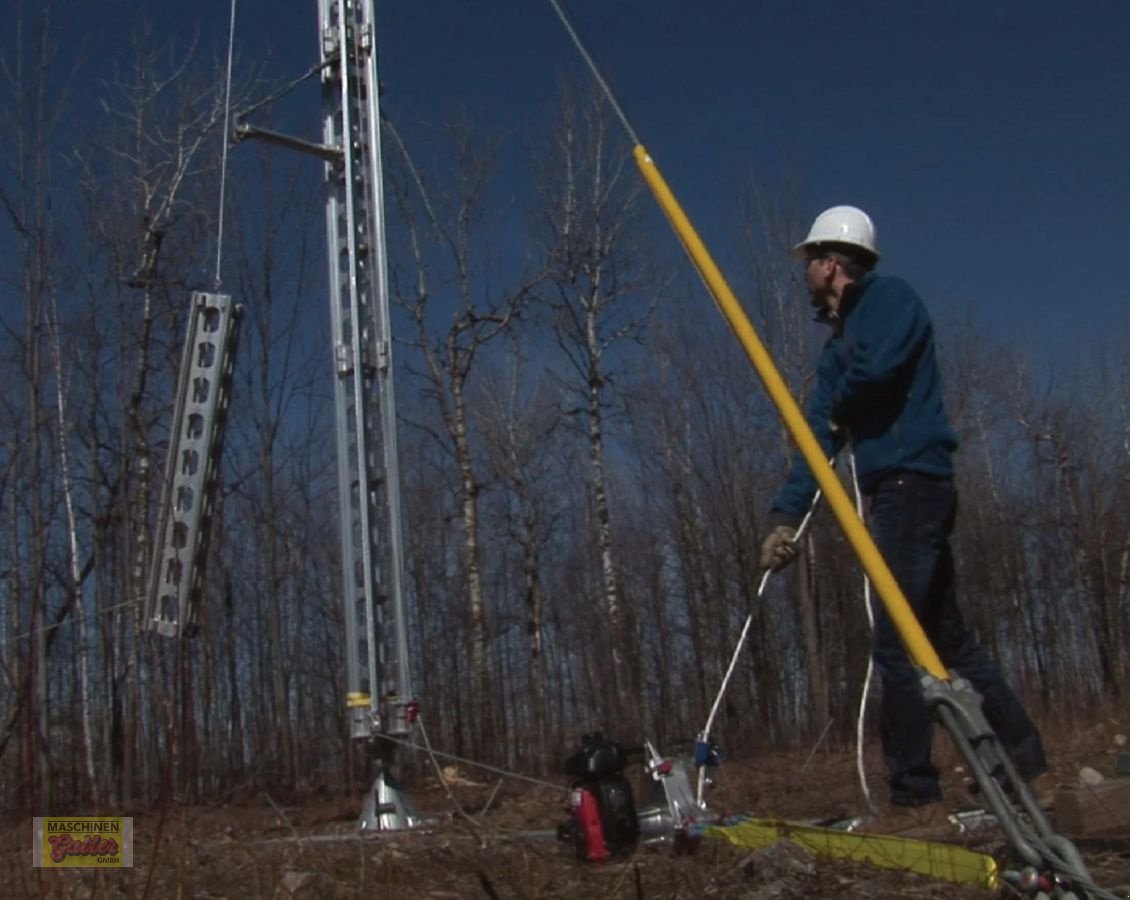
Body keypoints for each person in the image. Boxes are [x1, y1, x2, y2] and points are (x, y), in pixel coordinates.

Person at [758, 205, 1051, 832]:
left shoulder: (890, 302)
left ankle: (916, 797)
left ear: (831, 263)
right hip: (891, 490)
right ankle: (1026, 761)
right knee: (945, 637)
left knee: (895, 642)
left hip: (913, 483)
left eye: (809, 261)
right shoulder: (836, 353)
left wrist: (838, 408)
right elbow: (818, 438)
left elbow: (881, 370)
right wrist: (786, 517)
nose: (803, 272)